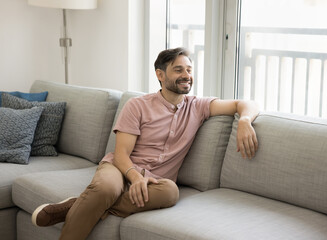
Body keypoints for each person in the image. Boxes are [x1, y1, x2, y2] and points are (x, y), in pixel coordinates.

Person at [31, 47, 259, 240]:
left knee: (170, 192)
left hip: (156, 181)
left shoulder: (198, 106)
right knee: (107, 188)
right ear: (160, 75)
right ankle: (95, 198)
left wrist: (245, 120)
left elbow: (245, 103)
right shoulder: (137, 105)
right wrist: (135, 176)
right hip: (120, 168)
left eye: (189, 70)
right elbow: (121, 154)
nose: (186, 75)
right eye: (178, 69)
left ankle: (81, 204)